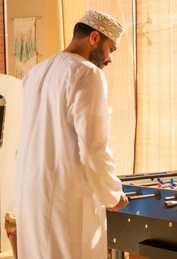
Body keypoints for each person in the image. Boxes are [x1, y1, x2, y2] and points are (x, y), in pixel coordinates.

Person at [14, 10, 129, 259]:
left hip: (29, 191)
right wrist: (112, 193)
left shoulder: (35, 73)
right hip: (65, 198)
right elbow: (94, 147)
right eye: (111, 49)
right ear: (94, 37)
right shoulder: (88, 73)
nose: (109, 58)